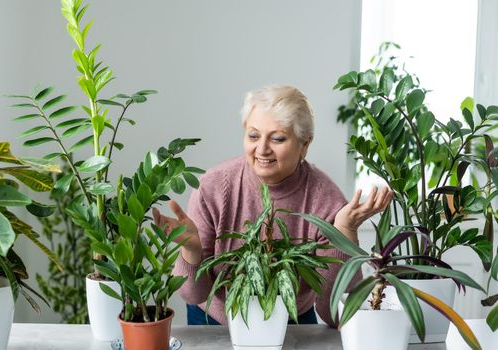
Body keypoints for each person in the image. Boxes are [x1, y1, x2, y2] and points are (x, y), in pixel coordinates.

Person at [153, 85, 392, 327]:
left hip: (291, 322)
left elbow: (338, 315)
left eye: (277, 138)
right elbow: (193, 295)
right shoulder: (212, 188)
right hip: (216, 321)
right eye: (254, 136)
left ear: (305, 144)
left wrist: (345, 231)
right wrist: (191, 252)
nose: (262, 149)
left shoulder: (325, 199)